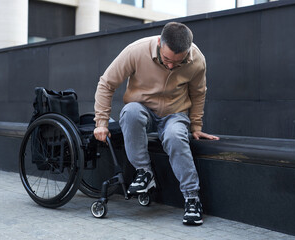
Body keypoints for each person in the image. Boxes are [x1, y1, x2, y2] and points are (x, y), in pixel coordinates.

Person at [93, 22, 219, 225]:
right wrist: (101, 122)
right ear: (160, 43)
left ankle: (192, 198)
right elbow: (106, 83)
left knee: (175, 137)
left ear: (187, 52)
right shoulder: (136, 51)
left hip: (174, 114)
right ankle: (144, 172)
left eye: (177, 63)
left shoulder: (197, 60)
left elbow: (198, 93)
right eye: (167, 59)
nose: (170, 66)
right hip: (142, 109)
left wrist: (196, 127)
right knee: (130, 112)